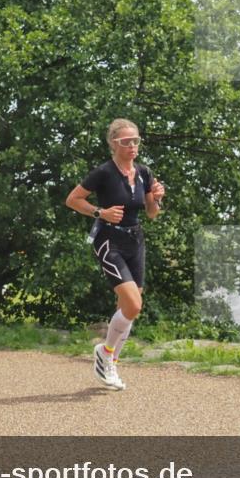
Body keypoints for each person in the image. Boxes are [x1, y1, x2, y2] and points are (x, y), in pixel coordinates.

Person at [65, 118, 165, 391]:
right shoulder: (104, 172)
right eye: (126, 142)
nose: (132, 146)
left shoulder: (144, 172)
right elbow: (72, 200)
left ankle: (110, 364)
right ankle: (106, 352)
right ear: (113, 143)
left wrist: (156, 197)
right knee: (133, 305)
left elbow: (152, 213)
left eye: (136, 141)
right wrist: (100, 212)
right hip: (109, 240)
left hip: (136, 240)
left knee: (128, 309)